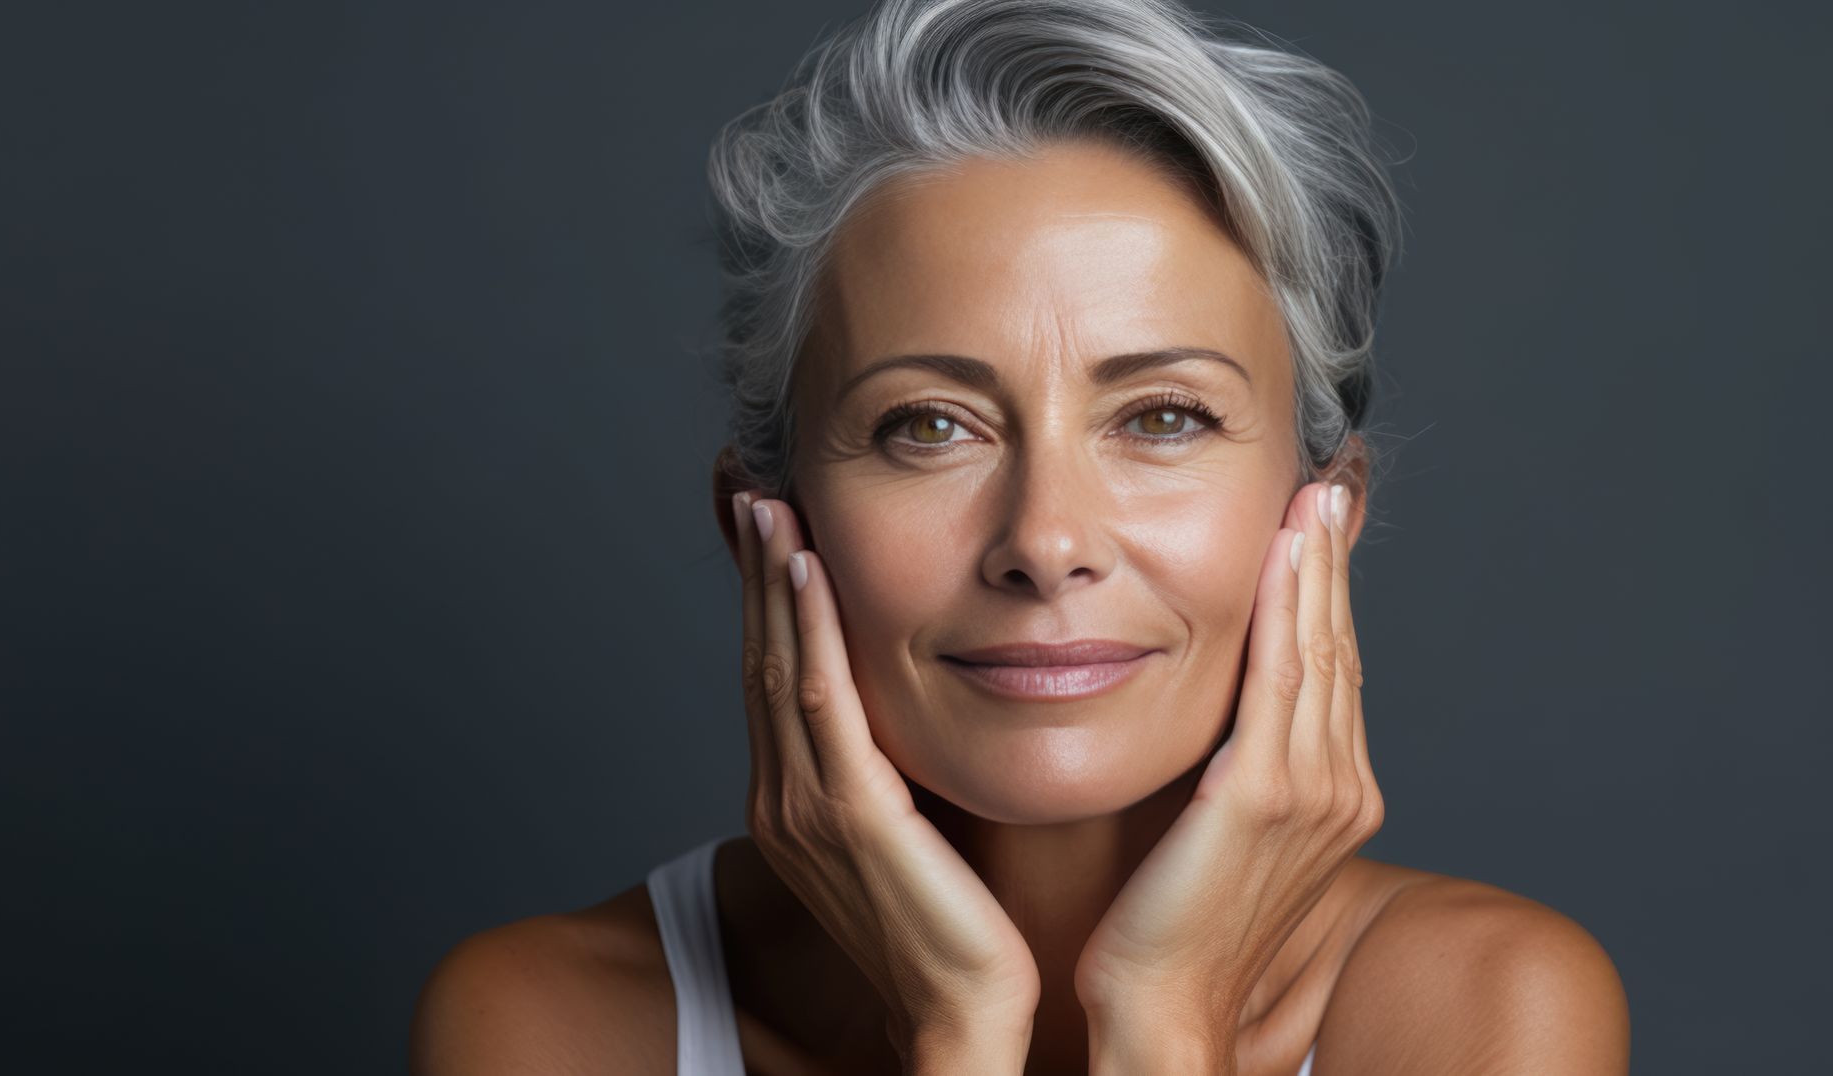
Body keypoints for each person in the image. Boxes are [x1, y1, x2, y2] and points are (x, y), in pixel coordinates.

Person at [410, 0, 1631, 1072]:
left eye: (1161, 416)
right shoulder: (556, 1021)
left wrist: (1167, 1017)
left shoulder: (1483, 1010)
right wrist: (957, 1026)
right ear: (763, 528)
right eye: (928, 425)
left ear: (1326, 515)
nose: (1045, 541)